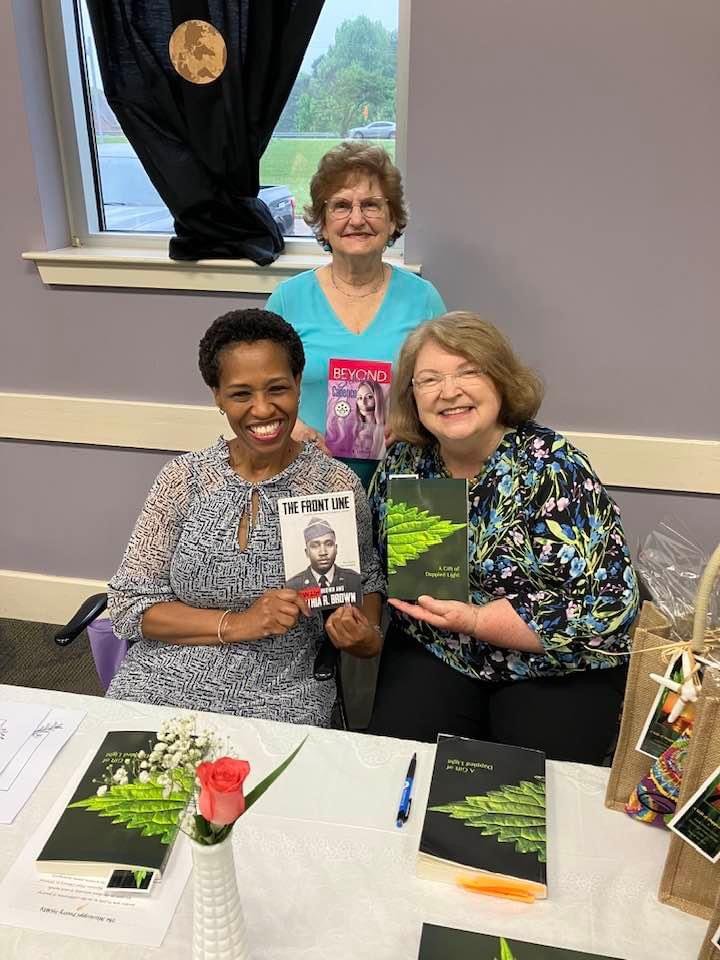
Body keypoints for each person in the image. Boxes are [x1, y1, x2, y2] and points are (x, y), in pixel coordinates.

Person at [367, 311, 640, 763]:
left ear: (499, 379)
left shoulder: (554, 468)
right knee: (393, 769)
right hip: (438, 649)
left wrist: (478, 621)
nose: (448, 391)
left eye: (467, 372)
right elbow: (377, 561)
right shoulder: (406, 463)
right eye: (429, 379)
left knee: (522, 800)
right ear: (412, 396)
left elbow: (611, 607)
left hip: (551, 666)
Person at [106, 309, 385, 726]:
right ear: (216, 395)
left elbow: (366, 590)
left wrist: (364, 638)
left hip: (281, 688)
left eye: (277, 388)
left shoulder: (332, 485)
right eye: (240, 394)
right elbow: (130, 606)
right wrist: (241, 623)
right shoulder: (183, 479)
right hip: (160, 680)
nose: (262, 409)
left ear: (297, 385)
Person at [266, 141, 446, 487]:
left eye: (372, 205)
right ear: (322, 221)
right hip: (309, 484)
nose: (357, 219)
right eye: (341, 206)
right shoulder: (288, 300)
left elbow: (446, 386)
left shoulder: (423, 299)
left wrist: (412, 423)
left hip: (405, 480)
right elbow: (262, 391)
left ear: (393, 219)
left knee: (418, 543)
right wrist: (294, 430)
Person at [285, 517, 363, 602]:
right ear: (307, 552)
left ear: (336, 548)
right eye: (315, 546)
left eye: (329, 544)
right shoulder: (293, 586)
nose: (323, 552)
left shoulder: (353, 579)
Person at [325, 379, 387, 461]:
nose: (364, 403)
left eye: (369, 397)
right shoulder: (353, 428)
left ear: (377, 398)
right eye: (359, 398)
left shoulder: (383, 432)